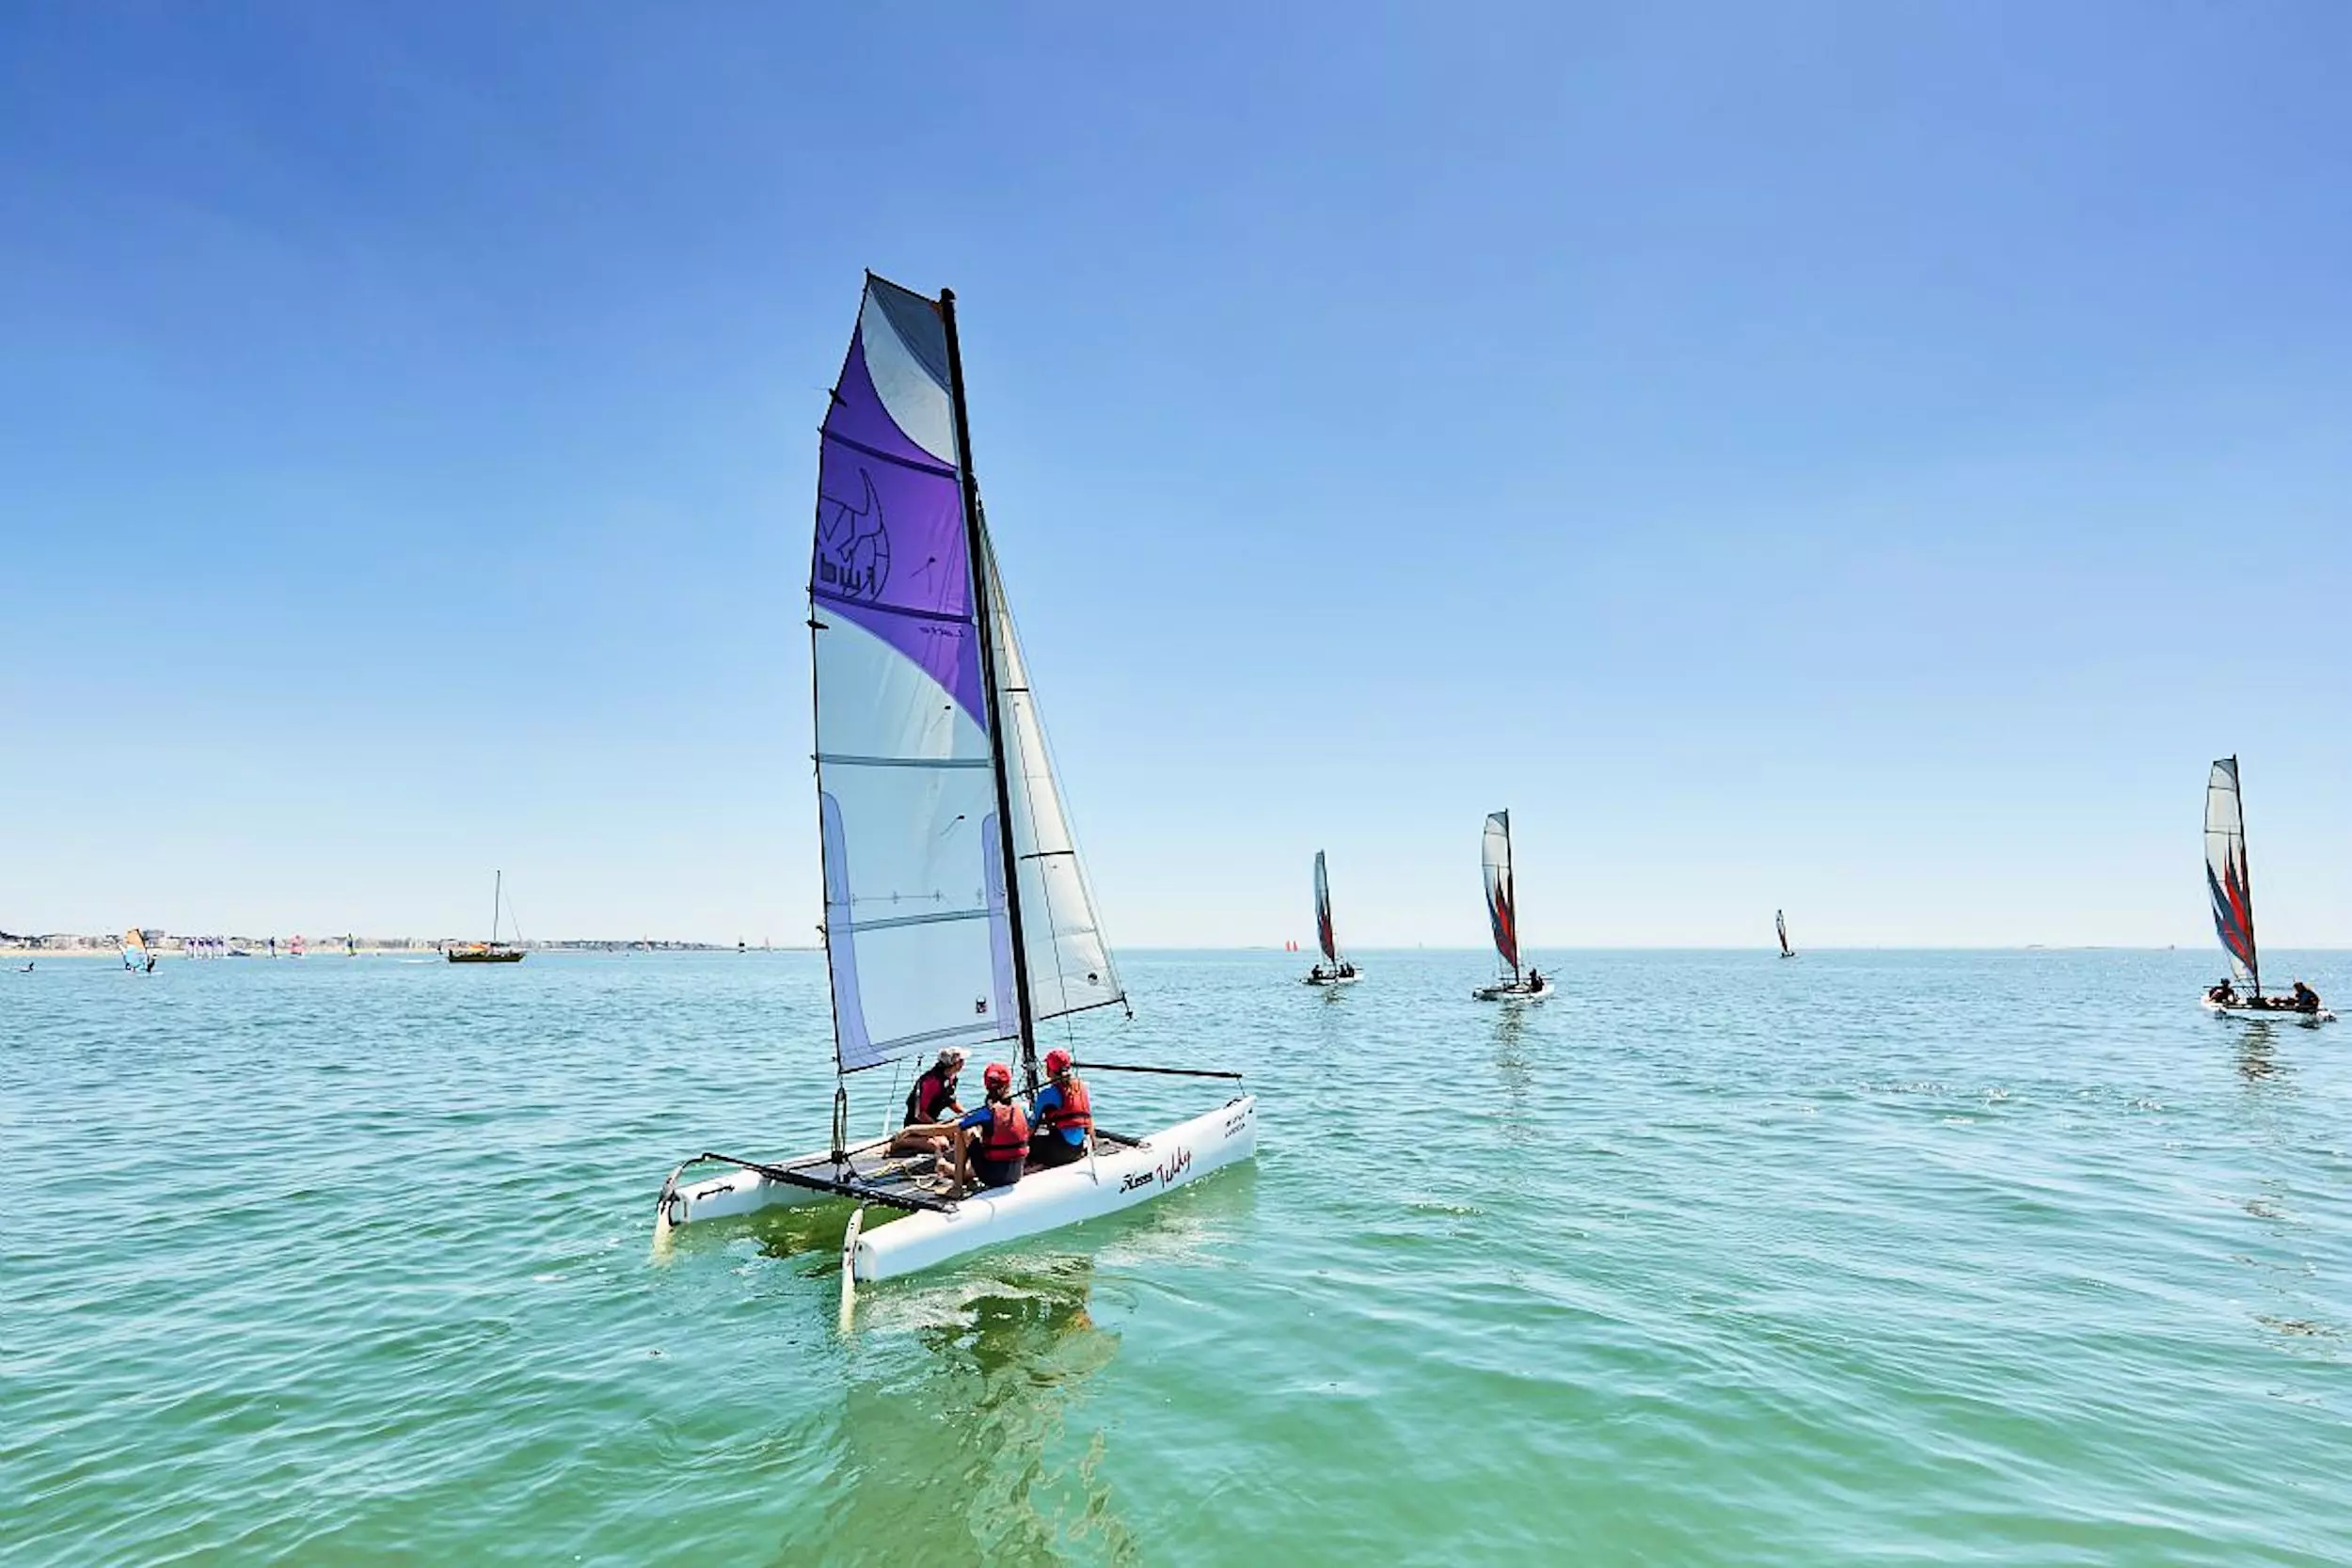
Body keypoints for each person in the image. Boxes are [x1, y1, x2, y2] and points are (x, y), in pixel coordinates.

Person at [945, 1061, 1029, 1194]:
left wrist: (913, 1129)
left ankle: (957, 1187)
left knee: (965, 1130)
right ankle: (963, 1172)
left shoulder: (987, 1112)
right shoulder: (1021, 1108)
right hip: (1016, 1175)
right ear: (1008, 1084)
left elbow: (959, 1126)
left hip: (992, 1178)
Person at [890, 1048, 966, 1158]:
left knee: (959, 1134)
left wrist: (967, 1115)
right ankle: (901, 1141)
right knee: (941, 1145)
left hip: (932, 1121)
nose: (963, 1063)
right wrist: (938, 1129)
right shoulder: (931, 1081)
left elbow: (951, 1102)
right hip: (917, 1124)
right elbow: (920, 1114)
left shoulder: (951, 1078)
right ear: (954, 1064)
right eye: (961, 1061)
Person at [1027, 1048, 1092, 1169]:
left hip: (1060, 1153)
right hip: (1079, 1150)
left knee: (1029, 1144)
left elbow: (1031, 1128)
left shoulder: (1046, 1094)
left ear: (1049, 1070)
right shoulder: (1081, 1087)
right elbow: (1089, 1122)